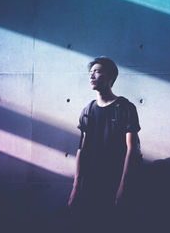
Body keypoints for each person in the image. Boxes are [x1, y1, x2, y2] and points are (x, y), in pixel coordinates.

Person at [68, 57, 142, 232]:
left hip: (115, 181)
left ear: (111, 77)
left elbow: (131, 149)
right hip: (90, 184)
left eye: (98, 71)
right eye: (90, 72)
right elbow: (81, 150)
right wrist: (76, 187)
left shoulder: (125, 108)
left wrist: (123, 187)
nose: (92, 75)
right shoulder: (87, 111)